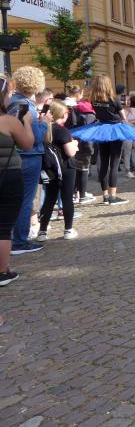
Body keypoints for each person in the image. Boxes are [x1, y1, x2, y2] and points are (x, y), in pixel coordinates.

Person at [70, 73, 135, 205]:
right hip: (115, 131)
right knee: (114, 164)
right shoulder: (113, 99)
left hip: (101, 130)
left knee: (103, 163)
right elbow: (123, 118)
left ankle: (105, 196)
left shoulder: (94, 100)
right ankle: (112, 196)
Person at [6, 67, 49, 255]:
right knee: (26, 199)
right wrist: (44, 123)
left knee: (12, 198)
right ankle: (20, 241)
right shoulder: (27, 106)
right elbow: (36, 138)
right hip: (30, 156)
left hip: (12, 155)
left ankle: (12, 237)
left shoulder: (10, 102)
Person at [0, 74, 34, 285]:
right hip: (7, 175)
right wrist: (27, 123)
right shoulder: (8, 121)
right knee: (3, 226)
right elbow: (27, 144)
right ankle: (2, 271)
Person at [35, 100, 79, 241]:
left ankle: (42, 232)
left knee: (49, 199)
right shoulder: (61, 130)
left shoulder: (43, 128)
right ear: (62, 114)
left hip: (49, 169)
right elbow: (70, 152)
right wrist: (75, 144)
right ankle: (68, 230)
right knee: (67, 198)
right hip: (66, 168)